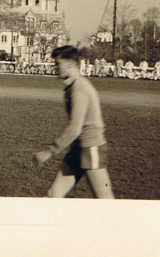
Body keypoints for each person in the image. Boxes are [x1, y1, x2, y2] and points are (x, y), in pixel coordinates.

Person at [32, 45, 115, 199]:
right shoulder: (73, 86)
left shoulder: (79, 88)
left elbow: (75, 128)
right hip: (78, 148)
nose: (55, 68)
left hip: (91, 147)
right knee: (53, 195)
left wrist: (49, 151)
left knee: (105, 202)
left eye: (58, 64)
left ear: (71, 64)